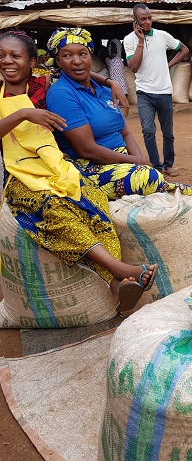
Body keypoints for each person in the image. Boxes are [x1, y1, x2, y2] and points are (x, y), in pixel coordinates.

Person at [0, 31, 157, 312]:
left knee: (94, 203)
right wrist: (23, 114)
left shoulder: (41, 83)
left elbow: (78, 73)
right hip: (21, 175)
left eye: (15, 56)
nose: (8, 61)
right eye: (2, 56)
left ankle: (116, 286)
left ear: (32, 62)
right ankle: (119, 269)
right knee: (55, 209)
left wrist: (110, 81)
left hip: (56, 167)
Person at [46, 28, 191, 201]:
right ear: (58, 61)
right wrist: (135, 162)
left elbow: (125, 133)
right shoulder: (62, 93)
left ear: (91, 57)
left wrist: (138, 159)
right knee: (149, 178)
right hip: (91, 166)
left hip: (121, 159)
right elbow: (87, 150)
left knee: (150, 177)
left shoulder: (105, 90)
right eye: (67, 55)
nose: (77, 61)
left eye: (83, 54)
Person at [124, 3, 189, 177]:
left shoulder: (162, 36)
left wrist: (169, 64)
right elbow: (134, 67)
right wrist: (140, 42)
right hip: (144, 93)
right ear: (135, 21)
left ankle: (168, 165)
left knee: (168, 132)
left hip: (164, 92)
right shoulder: (129, 40)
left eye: (150, 18)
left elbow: (184, 50)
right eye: (143, 19)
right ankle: (156, 166)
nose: (147, 22)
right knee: (148, 130)